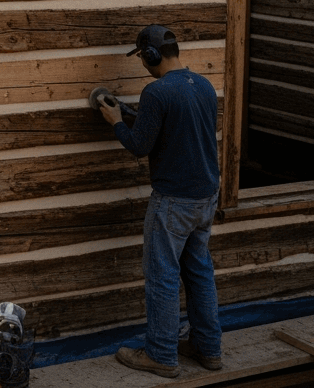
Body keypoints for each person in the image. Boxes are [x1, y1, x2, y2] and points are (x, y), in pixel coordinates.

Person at [97, 25, 223, 377]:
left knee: (162, 277)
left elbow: (140, 146)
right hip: (205, 198)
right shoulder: (203, 85)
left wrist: (116, 122)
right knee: (199, 273)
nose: (143, 64)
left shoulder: (156, 92)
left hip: (173, 202)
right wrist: (131, 116)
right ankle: (209, 349)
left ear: (150, 56)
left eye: (142, 58)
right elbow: (173, 131)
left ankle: (162, 355)